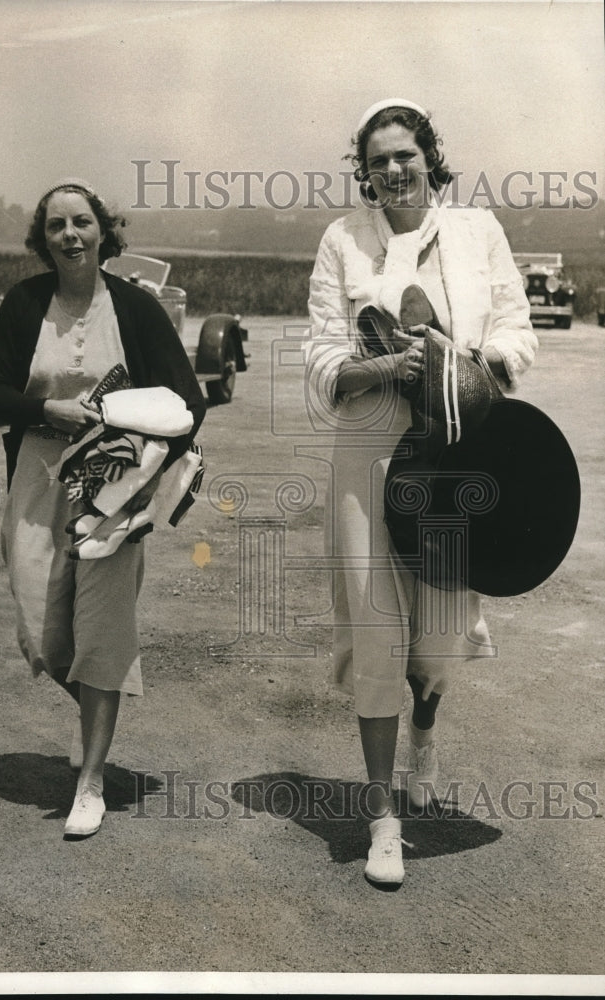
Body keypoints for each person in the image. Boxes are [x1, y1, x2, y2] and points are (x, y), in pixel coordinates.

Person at [304, 99, 538, 886]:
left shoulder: (475, 232)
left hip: (453, 452)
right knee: (375, 633)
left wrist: (464, 361)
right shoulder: (342, 240)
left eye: (405, 154)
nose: (392, 170)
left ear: (427, 156)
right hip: (368, 455)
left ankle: (425, 730)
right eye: (377, 161)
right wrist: (381, 369)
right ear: (363, 172)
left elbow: (518, 330)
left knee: (434, 644)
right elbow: (320, 354)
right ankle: (381, 817)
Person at [0, 178, 205, 839]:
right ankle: (95, 721)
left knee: (102, 632)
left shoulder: (135, 308)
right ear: (42, 238)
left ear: (103, 231)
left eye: (81, 222)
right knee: (44, 634)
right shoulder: (24, 304)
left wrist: (145, 475)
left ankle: (91, 780)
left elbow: (187, 403)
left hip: (112, 487)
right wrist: (45, 408)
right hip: (39, 479)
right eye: (56, 226)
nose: (70, 235)